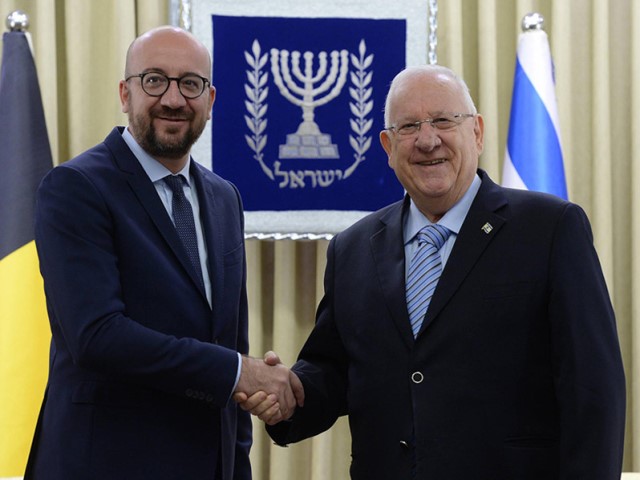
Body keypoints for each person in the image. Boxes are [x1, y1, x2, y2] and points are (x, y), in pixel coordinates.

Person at [236, 65, 626, 479]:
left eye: (443, 120)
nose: (427, 140)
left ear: (476, 131)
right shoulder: (353, 248)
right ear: (388, 145)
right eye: (408, 127)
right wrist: (289, 395)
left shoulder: (549, 229)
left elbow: (592, 390)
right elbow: (334, 370)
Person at [25, 26, 302, 480]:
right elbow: (96, 336)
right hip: (105, 464)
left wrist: (238, 455)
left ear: (211, 100)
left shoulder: (224, 197)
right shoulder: (76, 187)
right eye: (154, 80)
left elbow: (230, 340)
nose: (173, 99)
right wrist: (237, 372)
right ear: (125, 92)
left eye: (190, 84)